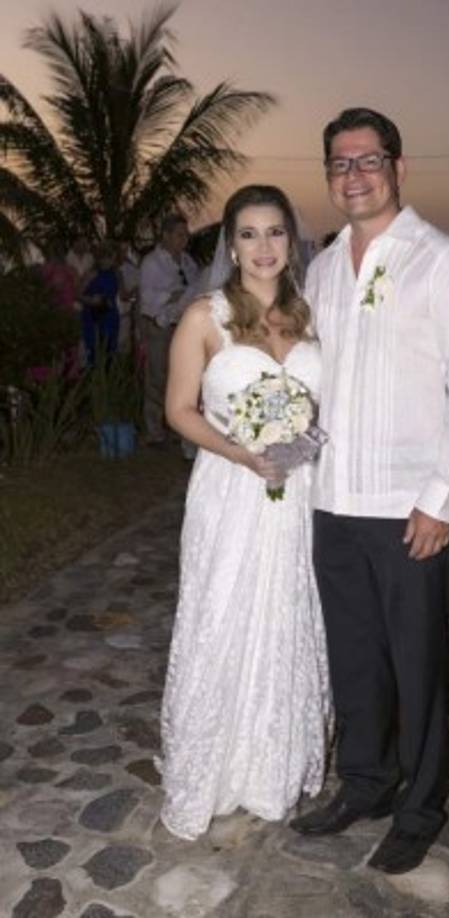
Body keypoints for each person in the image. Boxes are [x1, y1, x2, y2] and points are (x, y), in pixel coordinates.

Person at [289, 108, 449, 875]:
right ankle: (366, 783)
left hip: (410, 508)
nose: (354, 175)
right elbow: (321, 384)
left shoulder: (444, 262)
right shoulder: (319, 268)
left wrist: (443, 498)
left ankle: (418, 807)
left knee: (417, 663)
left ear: (398, 168)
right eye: (340, 164)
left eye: (368, 160)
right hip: (334, 501)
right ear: (329, 177)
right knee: (355, 659)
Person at [157, 185, 331, 840]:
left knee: (289, 612)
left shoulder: (314, 315)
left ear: (292, 240)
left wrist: (309, 443)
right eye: (250, 234)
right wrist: (241, 453)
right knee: (221, 611)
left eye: (275, 233)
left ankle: (272, 767)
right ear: (230, 243)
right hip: (230, 491)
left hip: (300, 494)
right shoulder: (204, 316)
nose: (263, 247)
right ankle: (211, 768)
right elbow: (178, 410)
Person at [139, 214, 199, 445]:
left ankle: (176, 426)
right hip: (159, 326)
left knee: (181, 378)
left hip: (183, 327)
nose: (184, 240)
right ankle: (154, 431)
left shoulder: (187, 262)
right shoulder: (152, 262)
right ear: (165, 236)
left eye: (186, 235)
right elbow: (146, 296)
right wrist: (171, 295)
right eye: (179, 235)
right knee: (157, 377)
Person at [79, 240, 121, 367]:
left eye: (112, 258)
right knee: (95, 351)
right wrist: (91, 300)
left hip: (111, 315)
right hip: (93, 316)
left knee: (110, 351)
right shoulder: (92, 273)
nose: (109, 261)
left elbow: (123, 294)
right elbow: (77, 294)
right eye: (107, 257)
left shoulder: (117, 273)